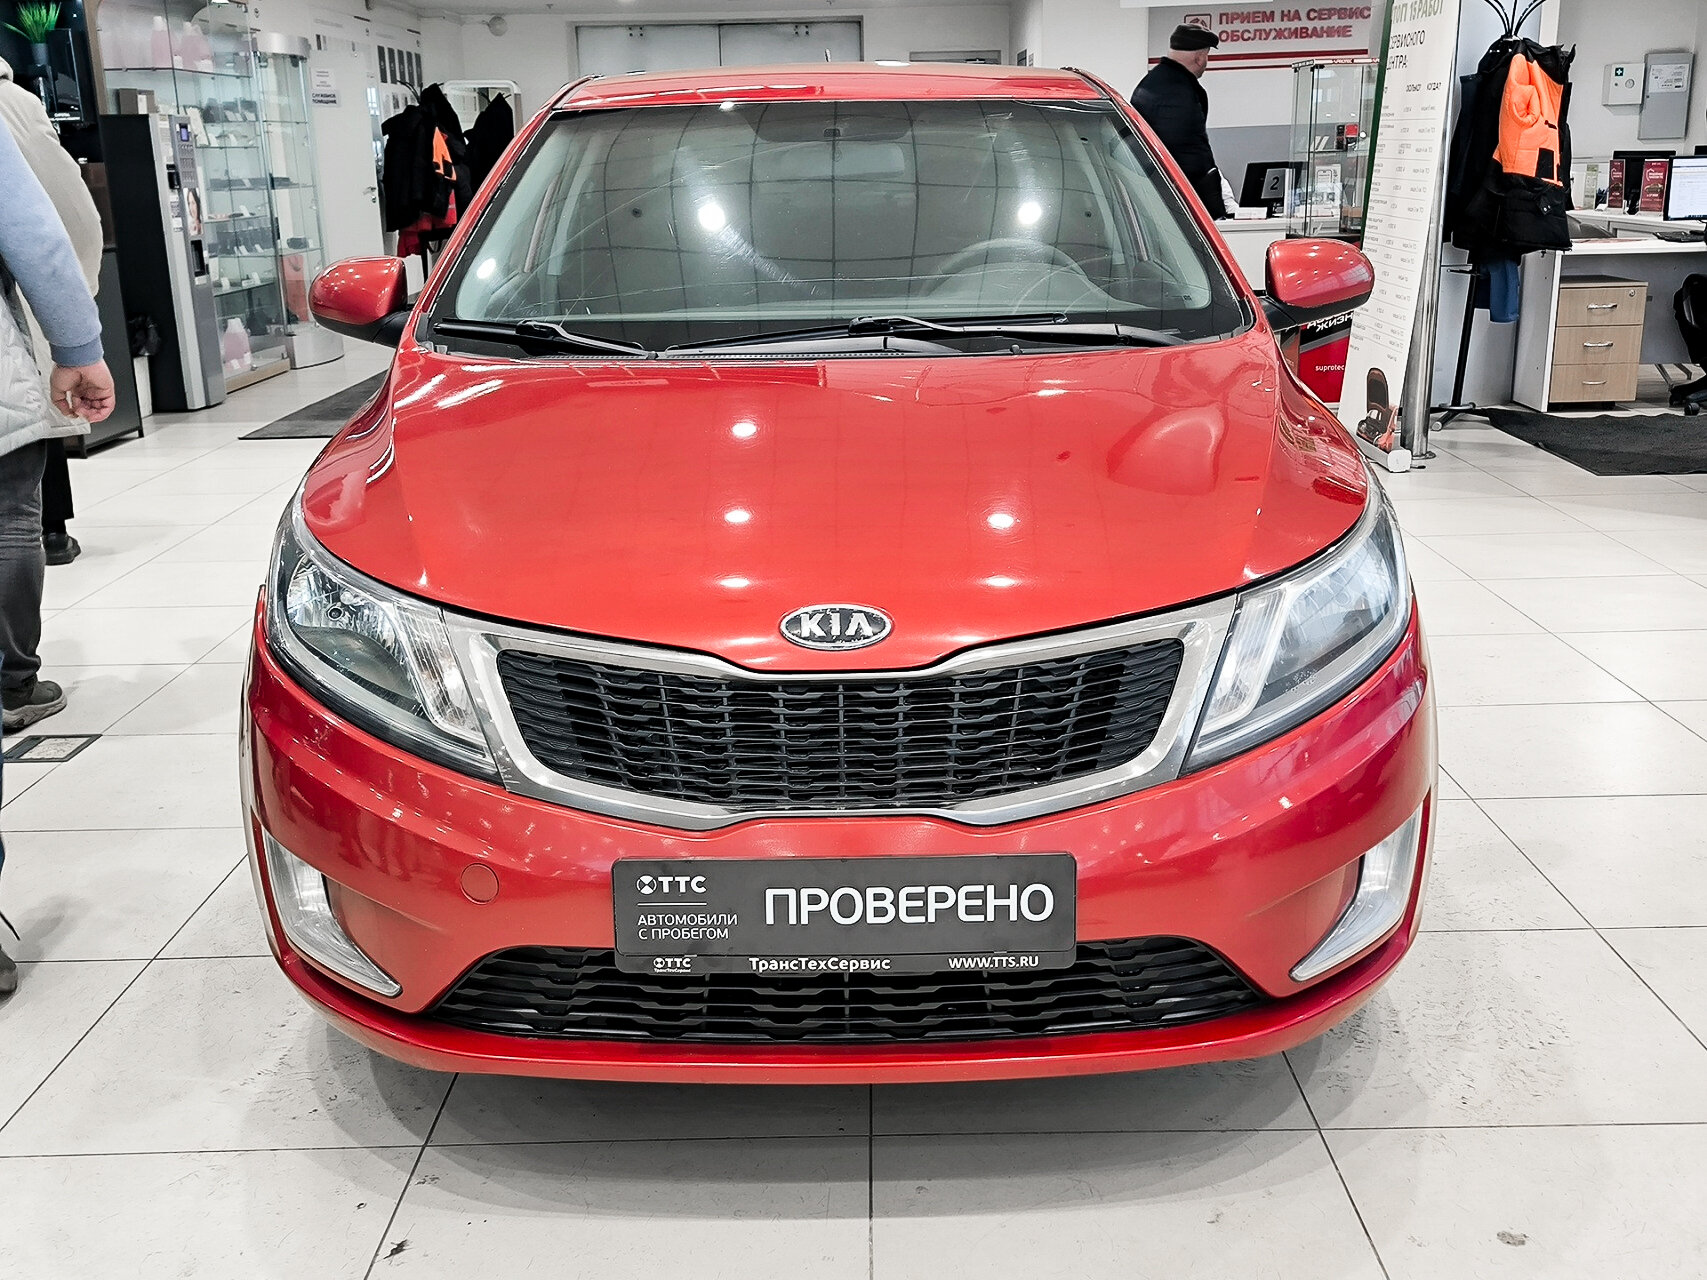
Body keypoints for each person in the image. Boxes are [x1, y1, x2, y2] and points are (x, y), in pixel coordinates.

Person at [0, 56, 102, 569]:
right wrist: (76, 323)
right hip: (21, 309)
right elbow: (62, 215)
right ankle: (54, 531)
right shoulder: (15, 103)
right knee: (9, 516)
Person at [1132, 24, 1229, 221]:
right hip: (1182, 204)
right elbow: (1189, 154)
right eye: (1206, 56)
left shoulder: (1150, 83)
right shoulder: (1182, 92)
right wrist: (1212, 207)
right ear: (1199, 58)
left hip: (1152, 194)